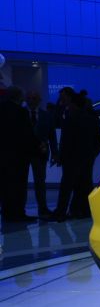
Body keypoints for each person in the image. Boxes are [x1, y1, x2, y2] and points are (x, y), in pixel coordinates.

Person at [54, 94, 100, 221]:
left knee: (67, 185)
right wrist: (93, 154)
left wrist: (60, 157)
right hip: (87, 158)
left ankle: (61, 212)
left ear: (74, 104)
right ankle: (84, 210)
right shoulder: (93, 118)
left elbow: (65, 141)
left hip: (71, 158)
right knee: (85, 184)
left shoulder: (70, 119)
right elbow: (99, 140)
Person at [0, 86, 36, 223]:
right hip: (19, 156)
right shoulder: (21, 112)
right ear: (18, 96)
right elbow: (27, 134)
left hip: (3, 155)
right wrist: (38, 147)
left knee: (5, 185)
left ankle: (7, 213)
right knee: (19, 185)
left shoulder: (2, 109)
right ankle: (18, 213)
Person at [26, 90, 58, 217]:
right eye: (29, 98)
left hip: (41, 152)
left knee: (40, 181)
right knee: (20, 182)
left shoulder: (46, 115)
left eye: (34, 98)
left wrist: (55, 153)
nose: (31, 101)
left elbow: (52, 136)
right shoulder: (21, 114)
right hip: (23, 153)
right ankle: (19, 210)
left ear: (39, 100)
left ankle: (43, 208)